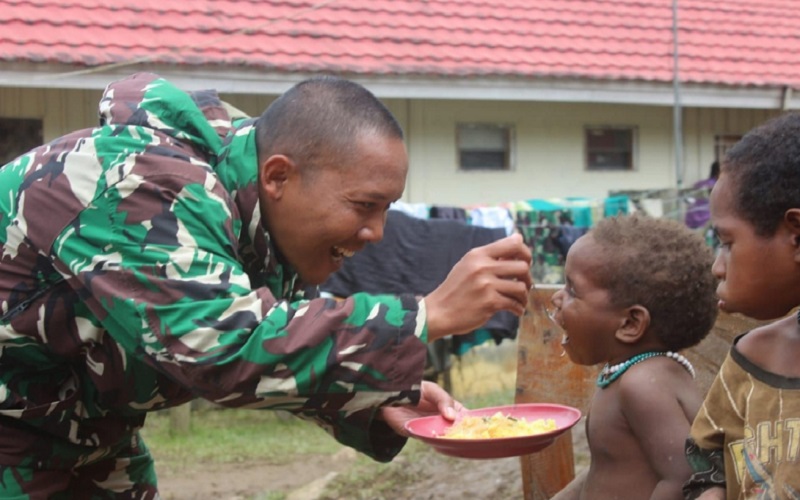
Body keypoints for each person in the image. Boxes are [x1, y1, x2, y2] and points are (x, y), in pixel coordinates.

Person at [0, 72, 532, 497]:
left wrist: (367, 402)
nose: (376, 233)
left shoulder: (257, 220)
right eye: (364, 206)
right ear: (278, 176)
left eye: (387, 208)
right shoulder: (145, 182)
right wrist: (423, 316)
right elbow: (219, 347)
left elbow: (278, 335)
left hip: (83, 430)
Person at [548, 214, 718, 499]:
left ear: (630, 324)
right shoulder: (628, 374)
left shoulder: (644, 385)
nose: (556, 299)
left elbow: (682, 479)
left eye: (572, 290)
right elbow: (605, 468)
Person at [683, 113, 800, 499]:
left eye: (727, 242)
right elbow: (709, 467)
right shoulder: (752, 363)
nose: (718, 266)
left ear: (796, 236)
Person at [685, 160, 721, 230]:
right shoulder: (717, 186)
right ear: (718, 172)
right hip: (705, 224)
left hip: (689, 221)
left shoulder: (699, 183)